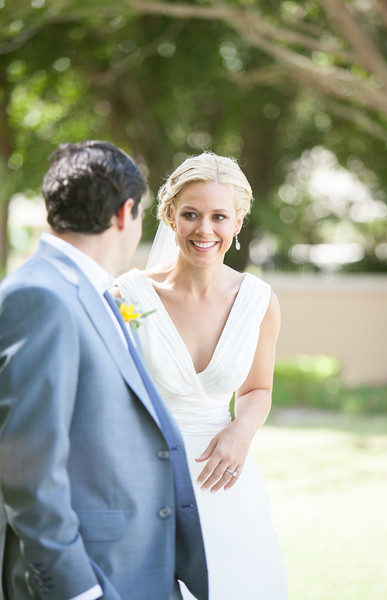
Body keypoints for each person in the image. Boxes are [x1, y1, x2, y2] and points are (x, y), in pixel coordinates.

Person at [0, 141, 208, 600]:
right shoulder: (41, 297)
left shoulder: (91, 290)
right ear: (124, 213)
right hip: (91, 577)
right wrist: (79, 591)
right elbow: (27, 470)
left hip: (138, 567)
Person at [112, 152, 288, 599]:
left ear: (238, 221)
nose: (203, 230)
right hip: (143, 481)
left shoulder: (258, 301)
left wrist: (241, 431)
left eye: (218, 216)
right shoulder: (126, 297)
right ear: (170, 216)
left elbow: (257, 388)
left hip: (225, 480)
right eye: (190, 214)